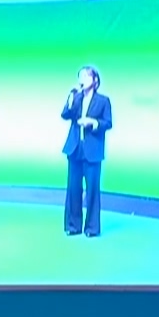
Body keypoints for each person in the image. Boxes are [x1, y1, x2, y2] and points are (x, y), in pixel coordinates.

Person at [60, 65, 111, 237]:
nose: (82, 79)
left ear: (95, 80)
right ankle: (73, 225)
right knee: (73, 188)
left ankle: (92, 228)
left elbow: (108, 123)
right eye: (80, 76)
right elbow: (65, 115)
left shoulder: (103, 100)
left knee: (92, 190)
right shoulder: (76, 97)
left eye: (86, 76)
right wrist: (70, 101)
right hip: (75, 148)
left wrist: (93, 122)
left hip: (93, 150)